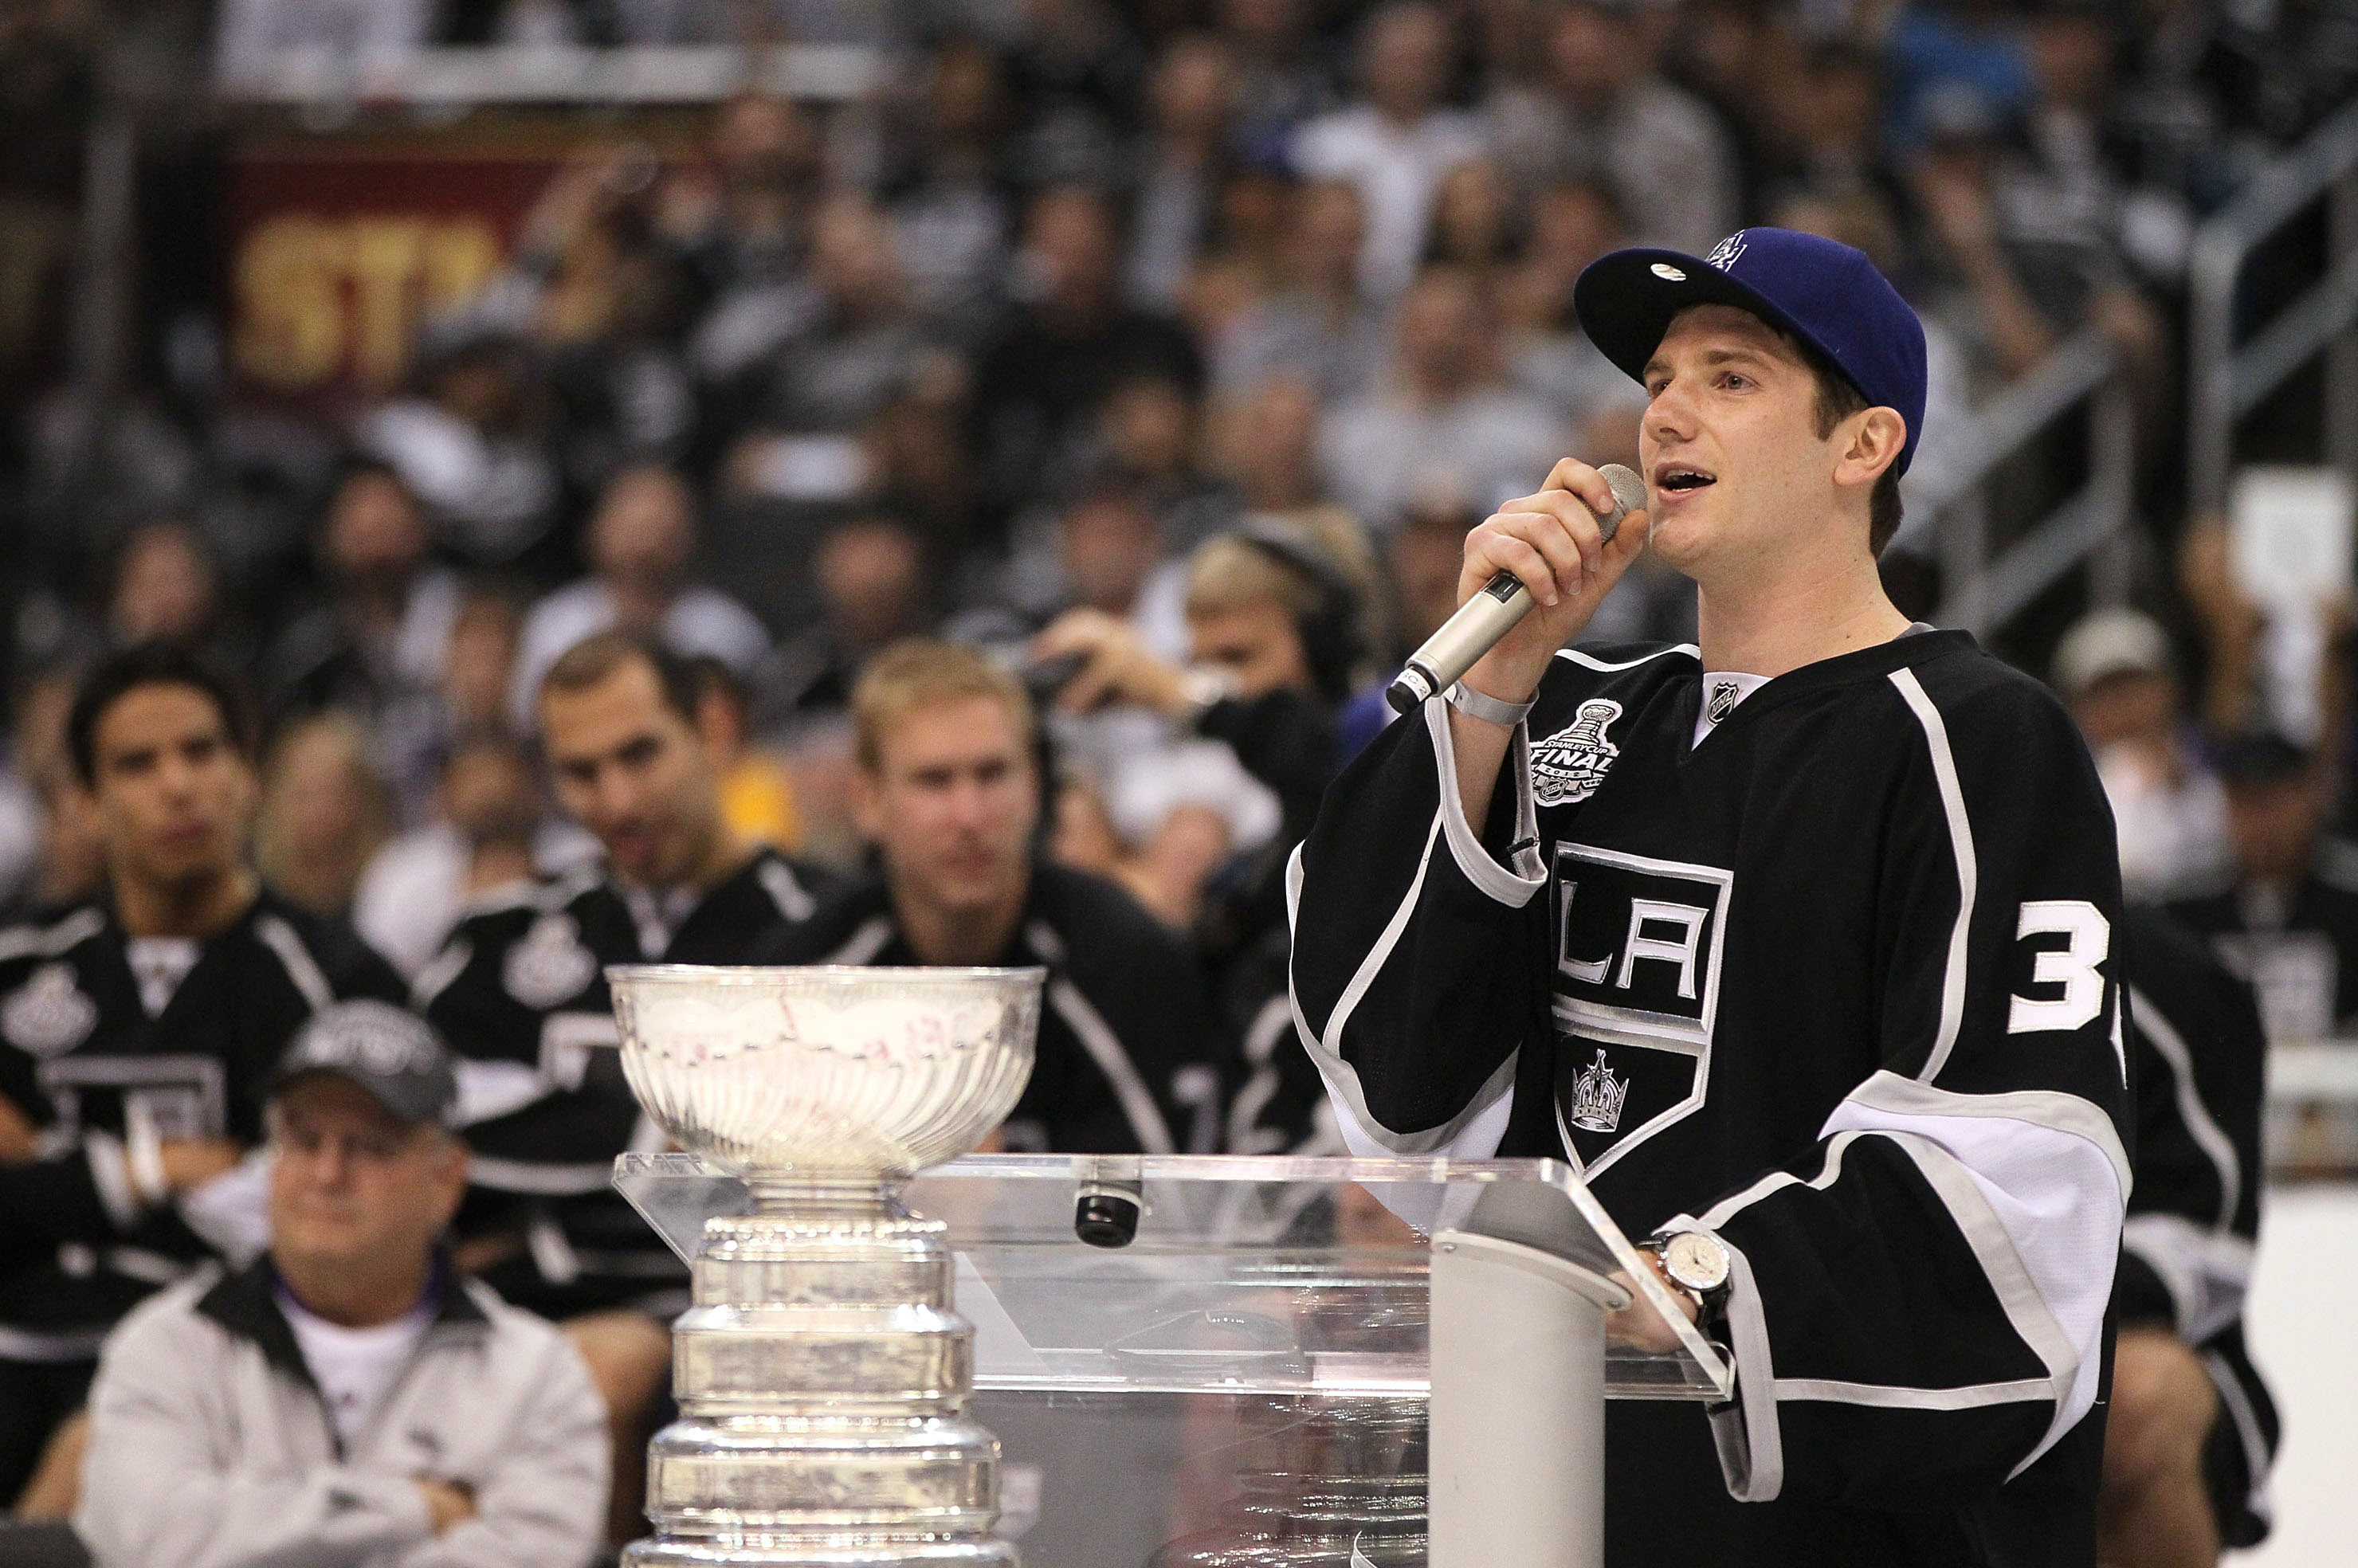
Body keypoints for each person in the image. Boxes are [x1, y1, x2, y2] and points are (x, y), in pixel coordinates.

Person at [1288, 228, 2128, 1562]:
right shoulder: (1577, 721)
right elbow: (1405, 1099)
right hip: (1564, 1489)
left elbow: (2020, 1164)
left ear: (1862, 447)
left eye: (1729, 378)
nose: (1662, 411)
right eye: (1657, 379)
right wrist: (1489, 686)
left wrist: (1696, 1284)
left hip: (1842, 1523)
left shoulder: (1971, 738)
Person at [418, 628, 834, 1537]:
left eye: (641, 755)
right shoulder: (495, 943)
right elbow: (416, 1143)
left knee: (601, 1370)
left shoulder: (825, 937)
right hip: (490, 1316)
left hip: (728, 1332)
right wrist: (664, 1137)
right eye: (582, 772)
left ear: (714, 729)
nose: (618, 800)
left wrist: (533, 1187)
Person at [0, 644, 407, 1509]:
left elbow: (329, 1220)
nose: (177, 786)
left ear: (248, 774)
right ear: (83, 800)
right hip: (15, 1344)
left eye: (201, 752)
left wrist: (50, 1164)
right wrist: (149, 1171)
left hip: (224, 1370)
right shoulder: (18, 971)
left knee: (95, 1456)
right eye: (137, 764)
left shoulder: (336, 983)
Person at [74, 1000, 606, 1567]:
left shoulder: (536, 1375)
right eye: (305, 1141)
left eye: (370, 1146)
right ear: (272, 1162)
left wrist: (253, 1530)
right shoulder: (167, 1346)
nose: (328, 1175)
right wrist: (414, 1510)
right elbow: (153, 1540)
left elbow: (537, 1555)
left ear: (446, 1179)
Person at [755, 640, 1230, 1156]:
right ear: (868, 801)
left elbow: (1173, 1202)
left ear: (1033, 786)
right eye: (934, 781)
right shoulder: (801, 983)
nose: (969, 816)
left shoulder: (1128, 959)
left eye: (992, 774)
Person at [2105, 907, 2278, 1568]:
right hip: (1878, 1334)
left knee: (2137, 1399)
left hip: (2099, 1338)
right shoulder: (1832, 949)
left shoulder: (2167, 976)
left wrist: (2006, 1305)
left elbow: (2209, 1252)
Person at [2164, 730, 2358, 1045]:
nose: (2263, 823)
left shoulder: (2348, 906)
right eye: (2247, 804)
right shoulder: (2186, 914)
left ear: (2310, 800)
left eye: (2275, 802)